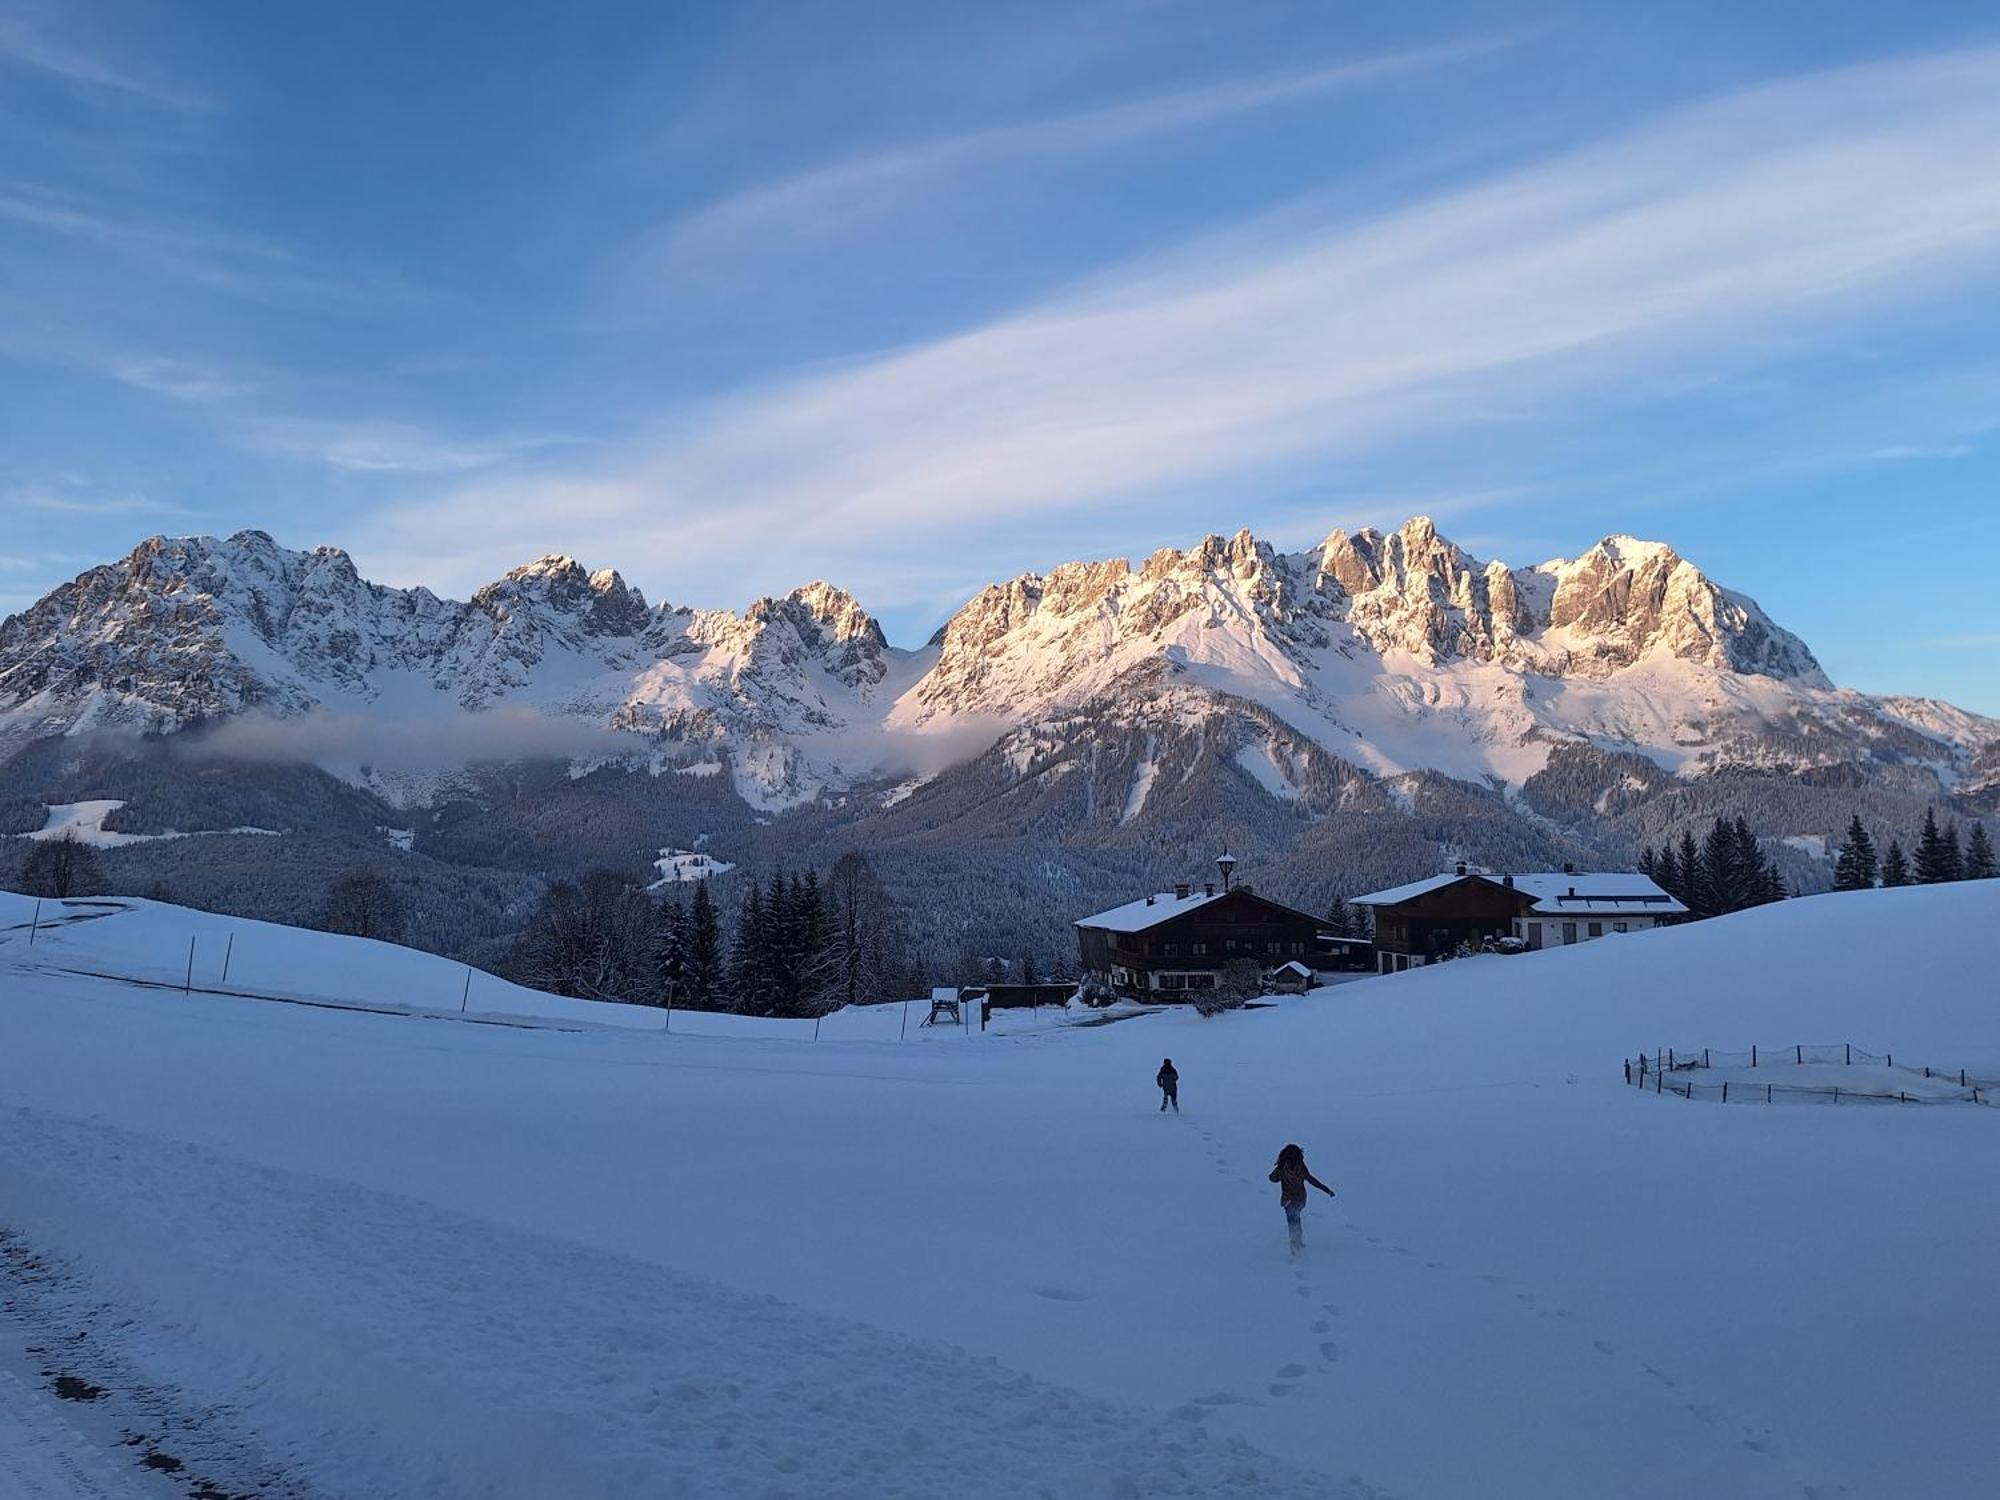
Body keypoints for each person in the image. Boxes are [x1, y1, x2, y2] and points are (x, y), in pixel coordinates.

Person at [1269, 1143, 1335, 1256]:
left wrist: (1278, 1171)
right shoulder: (1301, 1167)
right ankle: (1298, 1241)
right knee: (1296, 1218)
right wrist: (1326, 1190)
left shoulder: (1282, 1167)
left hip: (1287, 1198)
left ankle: (1294, 1241)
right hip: (1300, 1198)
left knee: (1291, 1219)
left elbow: (1272, 1178)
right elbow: (1312, 1180)